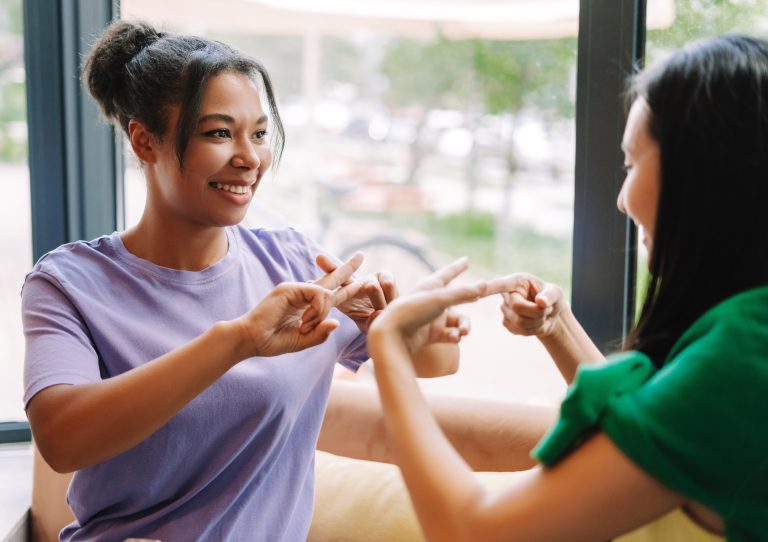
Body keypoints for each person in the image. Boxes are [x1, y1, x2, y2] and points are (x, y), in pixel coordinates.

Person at [20, 19, 471, 542]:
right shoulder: (68, 284)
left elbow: (436, 364)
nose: (250, 158)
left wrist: (422, 329)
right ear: (145, 141)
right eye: (218, 132)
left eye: (258, 133)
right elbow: (61, 438)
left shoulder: (293, 263)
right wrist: (238, 340)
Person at [367, 34, 768, 541]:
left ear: (703, 175)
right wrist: (558, 328)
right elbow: (657, 424)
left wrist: (389, 348)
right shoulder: (749, 332)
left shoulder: (742, 361)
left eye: (630, 164)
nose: (622, 200)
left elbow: (473, 532)